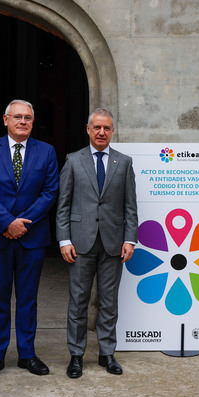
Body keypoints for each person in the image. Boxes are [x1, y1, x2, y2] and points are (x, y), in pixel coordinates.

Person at [0, 99, 59, 381]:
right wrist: (7, 222)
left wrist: (22, 223)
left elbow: (50, 192)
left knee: (28, 299)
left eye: (28, 118)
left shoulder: (46, 151)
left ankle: (27, 354)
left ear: (33, 122)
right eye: (18, 117)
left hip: (31, 237)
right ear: (6, 119)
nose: (23, 121)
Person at [56, 108, 138, 378]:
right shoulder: (73, 160)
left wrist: (130, 239)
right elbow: (63, 205)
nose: (102, 132)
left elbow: (130, 206)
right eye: (97, 127)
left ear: (112, 131)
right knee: (78, 301)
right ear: (88, 130)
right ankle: (76, 355)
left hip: (114, 243)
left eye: (107, 128)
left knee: (109, 301)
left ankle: (107, 353)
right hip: (80, 243)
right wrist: (64, 240)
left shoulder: (123, 162)